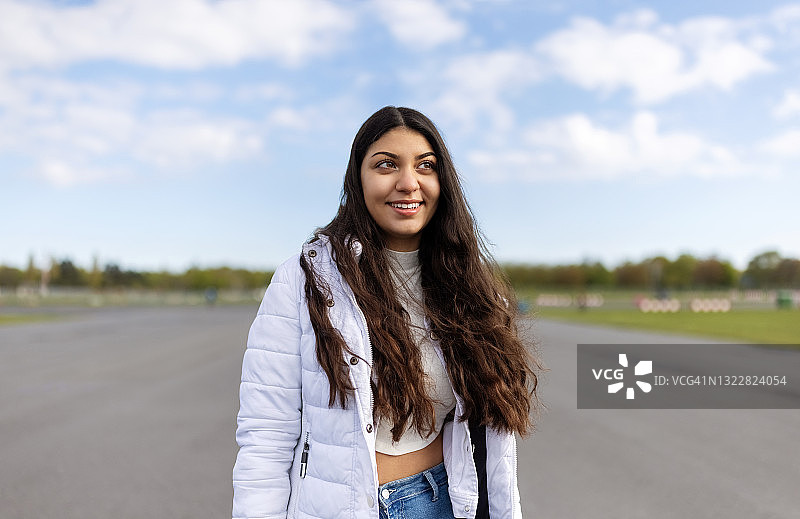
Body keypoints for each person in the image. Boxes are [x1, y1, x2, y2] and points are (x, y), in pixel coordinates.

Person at [232, 106, 541, 519]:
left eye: (425, 166)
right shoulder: (306, 280)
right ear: (357, 179)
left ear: (442, 181)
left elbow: (495, 445)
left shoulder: (473, 290)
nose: (408, 183)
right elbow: (266, 436)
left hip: (445, 501)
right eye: (386, 165)